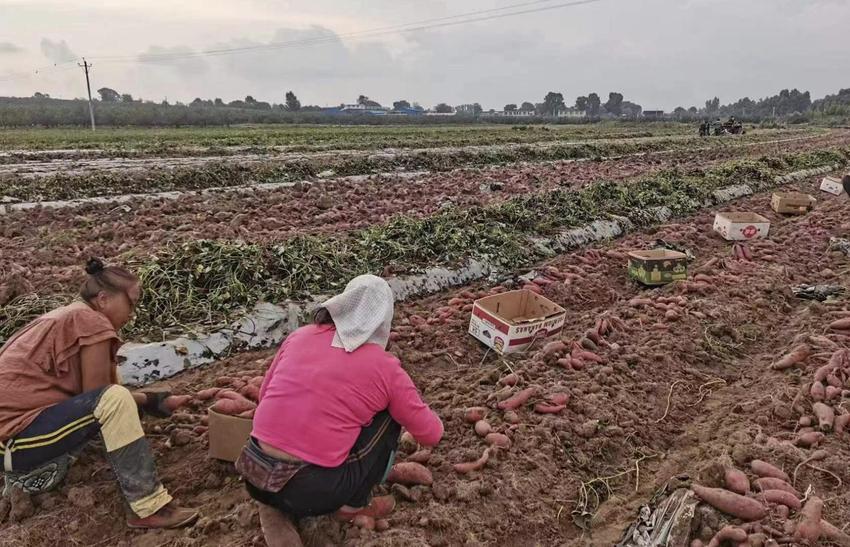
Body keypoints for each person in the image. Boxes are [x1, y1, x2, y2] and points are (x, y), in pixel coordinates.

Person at [237, 275, 443, 546]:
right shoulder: (384, 367)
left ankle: (272, 506)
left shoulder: (299, 336)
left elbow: (264, 396)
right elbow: (431, 435)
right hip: (314, 492)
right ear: (383, 320)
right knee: (390, 415)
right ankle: (350, 507)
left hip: (253, 470)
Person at [0, 258, 199, 529]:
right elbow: (101, 398)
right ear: (104, 299)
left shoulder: (71, 315)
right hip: (13, 441)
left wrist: (155, 401)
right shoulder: (91, 321)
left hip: (17, 435)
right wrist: (151, 401)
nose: (133, 312)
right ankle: (147, 507)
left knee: (113, 396)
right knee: (113, 398)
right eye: (132, 302)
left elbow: (93, 399)